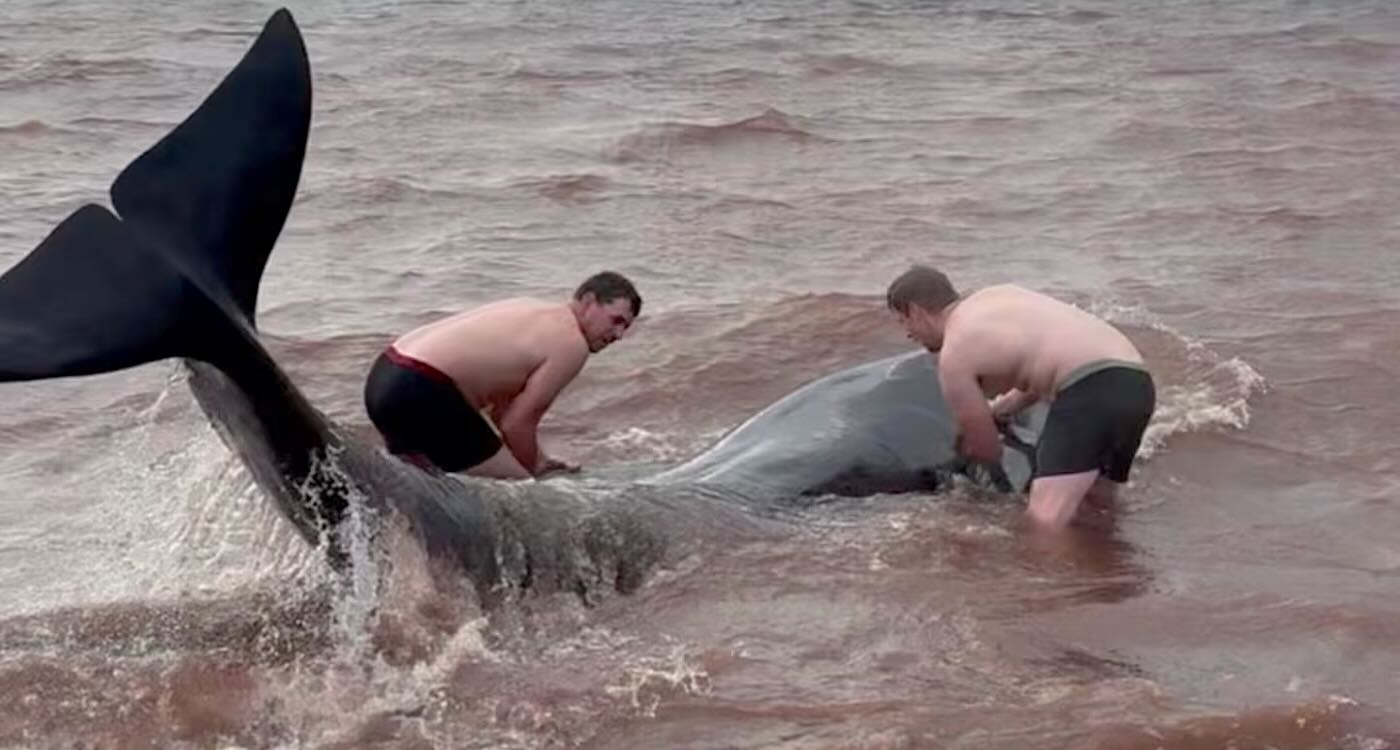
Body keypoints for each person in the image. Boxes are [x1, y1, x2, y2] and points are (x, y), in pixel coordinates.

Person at [885, 265, 1155, 529]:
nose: (908, 333)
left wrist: (966, 486)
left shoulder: (954, 354)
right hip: (1136, 383)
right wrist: (1006, 407)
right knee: (1097, 499)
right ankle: (1111, 564)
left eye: (903, 321)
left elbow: (987, 447)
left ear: (916, 312)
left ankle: (1059, 574)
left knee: (1045, 519)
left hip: (1090, 389)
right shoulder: (1000, 296)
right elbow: (1048, 358)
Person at [364, 271, 641, 479]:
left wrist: (539, 459)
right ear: (589, 301)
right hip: (423, 388)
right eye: (615, 320)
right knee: (518, 492)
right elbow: (517, 424)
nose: (618, 335)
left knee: (430, 481)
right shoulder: (572, 343)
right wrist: (532, 473)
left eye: (625, 328)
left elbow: (502, 413)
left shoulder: (531, 309)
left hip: (386, 375)